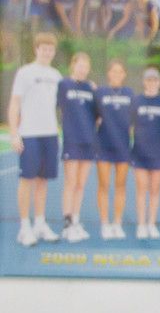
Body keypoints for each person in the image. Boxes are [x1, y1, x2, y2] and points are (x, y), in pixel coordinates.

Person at [7, 33, 63, 247]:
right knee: (27, 180)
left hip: (50, 134)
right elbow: (14, 104)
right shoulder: (25, 73)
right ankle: (24, 227)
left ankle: (40, 224)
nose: (47, 52)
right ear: (36, 49)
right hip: (29, 134)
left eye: (51, 49)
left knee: (42, 181)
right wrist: (14, 132)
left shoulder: (56, 75)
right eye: (43, 48)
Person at [56, 52, 97, 242]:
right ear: (73, 65)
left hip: (88, 142)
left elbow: (97, 114)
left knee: (81, 184)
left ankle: (76, 220)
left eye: (86, 67)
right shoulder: (63, 85)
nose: (83, 70)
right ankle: (67, 223)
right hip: (72, 140)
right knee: (70, 183)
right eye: (80, 66)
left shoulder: (91, 88)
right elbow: (56, 107)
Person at [130, 66, 160, 240]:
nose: (152, 83)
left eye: (155, 80)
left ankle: (151, 223)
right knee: (141, 189)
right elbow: (130, 123)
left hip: (158, 153)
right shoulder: (136, 100)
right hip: (139, 153)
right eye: (149, 80)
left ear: (159, 82)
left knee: (155, 189)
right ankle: (141, 224)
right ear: (144, 82)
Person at [94, 59, 133, 239]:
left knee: (120, 186)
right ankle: (105, 224)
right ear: (109, 73)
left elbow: (133, 120)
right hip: (103, 144)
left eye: (120, 71)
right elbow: (92, 116)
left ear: (124, 74)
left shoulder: (129, 93)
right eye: (114, 71)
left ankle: (117, 223)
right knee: (103, 185)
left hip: (123, 145)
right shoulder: (100, 93)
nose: (117, 74)